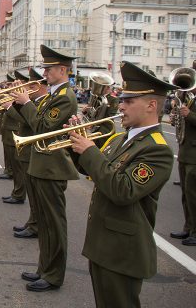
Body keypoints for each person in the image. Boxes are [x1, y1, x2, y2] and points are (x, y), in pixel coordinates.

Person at [68, 61, 177, 307]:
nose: (121, 106)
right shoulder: (120, 138)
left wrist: (90, 151)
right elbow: (91, 170)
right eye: (122, 100)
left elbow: (122, 190)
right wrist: (75, 143)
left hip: (122, 251)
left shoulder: (157, 149)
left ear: (151, 105)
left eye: (129, 101)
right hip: (103, 244)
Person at [10, 45, 78, 292]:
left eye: (49, 69)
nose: (45, 72)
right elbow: (35, 120)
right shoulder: (52, 94)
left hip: (52, 168)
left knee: (54, 225)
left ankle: (53, 274)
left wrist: (27, 102)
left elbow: (42, 127)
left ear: (62, 69)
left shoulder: (65, 97)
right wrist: (23, 103)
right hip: (42, 165)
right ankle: (44, 269)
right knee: (45, 224)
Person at [7, 67, 48, 239]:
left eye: (30, 84)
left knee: (34, 192)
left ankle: (35, 225)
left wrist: (16, 105)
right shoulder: (34, 102)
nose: (28, 88)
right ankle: (33, 223)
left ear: (38, 85)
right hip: (27, 149)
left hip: (33, 150)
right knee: (31, 192)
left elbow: (33, 123)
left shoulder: (42, 102)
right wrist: (16, 103)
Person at [170, 59, 196, 246]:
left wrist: (189, 115)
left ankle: (195, 231)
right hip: (185, 151)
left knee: (194, 194)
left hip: (195, 154)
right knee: (186, 194)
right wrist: (176, 117)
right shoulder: (188, 98)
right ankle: (188, 227)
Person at [0, 70, 30, 205]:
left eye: (18, 82)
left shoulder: (26, 97)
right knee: (14, 163)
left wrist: (9, 107)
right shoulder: (18, 94)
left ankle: (19, 194)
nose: (14, 84)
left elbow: (22, 117)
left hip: (16, 131)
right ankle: (16, 192)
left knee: (18, 168)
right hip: (10, 130)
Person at [0, 73, 17, 181]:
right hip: (6, 127)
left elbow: (14, 111)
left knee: (11, 152)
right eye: (8, 84)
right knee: (6, 150)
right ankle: (8, 170)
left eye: (10, 84)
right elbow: (1, 109)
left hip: (13, 128)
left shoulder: (16, 96)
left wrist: (1, 96)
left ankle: (11, 171)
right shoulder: (9, 95)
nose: (8, 86)